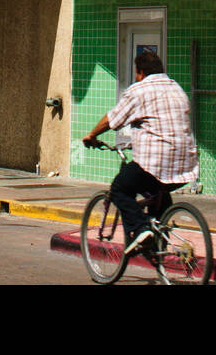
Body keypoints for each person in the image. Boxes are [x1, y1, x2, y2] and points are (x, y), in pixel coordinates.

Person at [82, 49, 198, 255]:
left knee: (119, 188)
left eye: (136, 73)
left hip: (155, 163)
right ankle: (158, 242)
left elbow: (112, 119)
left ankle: (142, 228)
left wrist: (91, 135)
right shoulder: (176, 88)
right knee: (158, 191)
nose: (136, 77)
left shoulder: (139, 90)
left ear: (141, 72)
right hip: (184, 165)